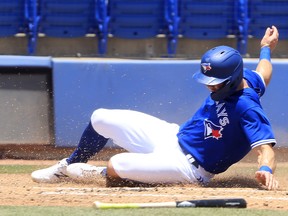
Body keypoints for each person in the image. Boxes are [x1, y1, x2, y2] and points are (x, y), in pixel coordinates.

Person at [32, 26, 279, 190]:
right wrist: (266, 47)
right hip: (172, 136)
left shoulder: (247, 107)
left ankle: (102, 174)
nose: (209, 87)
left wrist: (265, 169)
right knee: (101, 117)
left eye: (215, 83)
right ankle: (68, 166)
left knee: (117, 163)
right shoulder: (247, 78)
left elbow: (265, 149)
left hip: (190, 169)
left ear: (232, 79)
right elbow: (263, 72)